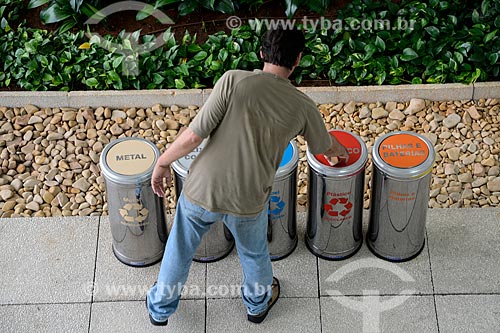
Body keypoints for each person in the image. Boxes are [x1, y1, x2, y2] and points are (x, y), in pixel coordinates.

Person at [145, 25, 349, 326]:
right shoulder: (303, 106)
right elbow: (324, 146)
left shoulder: (233, 81)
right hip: (249, 202)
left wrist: (162, 163)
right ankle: (257, 306)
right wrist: (341, 151)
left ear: (262, 53)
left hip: (202, 191)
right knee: (254, 255)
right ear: (298, 60)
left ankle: (160, 308)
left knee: (180, 248)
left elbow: (192, 137)